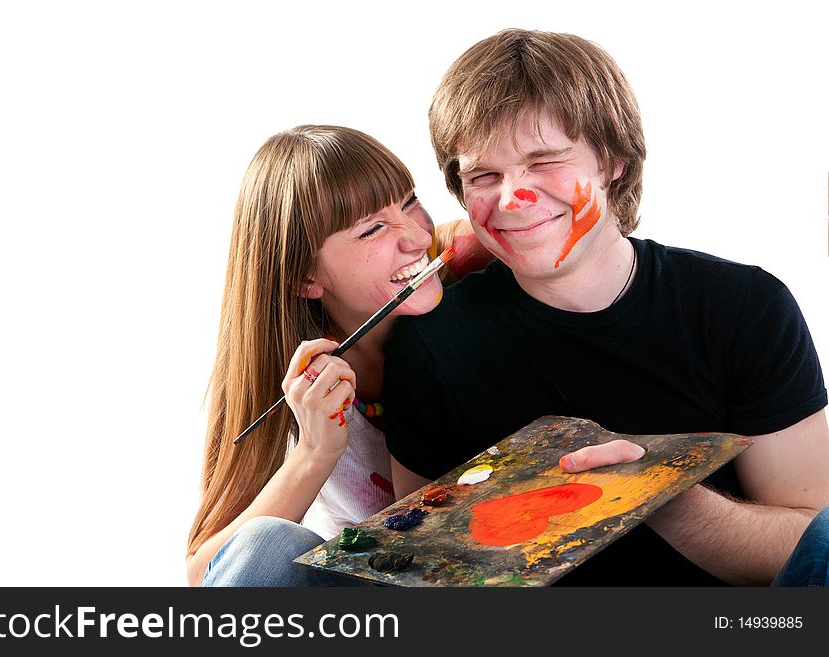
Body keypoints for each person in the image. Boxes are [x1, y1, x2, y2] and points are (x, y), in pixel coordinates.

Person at [384, 29, 829, 586]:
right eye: (484, 175)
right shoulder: (432, 344)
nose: (511, 198)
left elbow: (815, 549)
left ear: (614, 160)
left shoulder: (746, 308)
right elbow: (417, 567)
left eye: (544, 160)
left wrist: (663, 498)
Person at [185, 124, 637, 587]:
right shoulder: (293, 375)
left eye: (409, 203)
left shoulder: (473, 267)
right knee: (268, 545)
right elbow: (208, 574)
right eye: (373, 229)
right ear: (306, 277)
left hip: (521, 564)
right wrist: (315, 452)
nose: (416, 238)